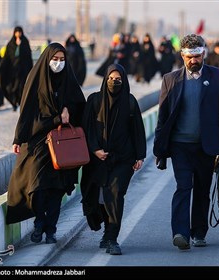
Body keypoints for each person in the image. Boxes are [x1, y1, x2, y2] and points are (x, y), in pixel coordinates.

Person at [153, 34, 219, 250]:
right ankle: (180, 233)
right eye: (189, 56)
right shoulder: (171, 80)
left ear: (203, 54)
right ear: (182, 56)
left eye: (197, 56)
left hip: (206, 146)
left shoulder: (217, 77)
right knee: (183, 187)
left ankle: (199, 232)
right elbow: (163, 117)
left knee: (202, 189)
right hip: (180, 145)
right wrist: (159, 149)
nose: (193, 60)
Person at [5, 43, 86, 244]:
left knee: (57, 190)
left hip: (64, 144)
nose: (58, 64)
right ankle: (39, 222)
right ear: (47, 59)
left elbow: (80, 107)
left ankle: (50, 230)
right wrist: (18, 138)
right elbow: (27, 113)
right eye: (54, 59)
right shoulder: (35, 79)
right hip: (39, 140)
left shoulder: (68, 81)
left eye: (61, 60)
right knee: (37, 187)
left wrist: (68, 112)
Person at [80, 63, 146, 255]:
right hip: (98, 160)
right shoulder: (94, 101)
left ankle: (112, 238)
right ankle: (106, 233)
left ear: (124, 81)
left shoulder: (130, 102)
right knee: (98, 198)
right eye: (111, 79)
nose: (114, 83)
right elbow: (88, 129)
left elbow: (137, 131)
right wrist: (95, 150)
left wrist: (140, 155)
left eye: (118, 80)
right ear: (105, 79)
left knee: (115, 195)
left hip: (123, 159)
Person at [0, 26, 33, 111]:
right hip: (13, 70)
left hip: (23, 70)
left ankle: (20, 103)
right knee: (12, 87)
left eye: (19, 32)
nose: (18, 34)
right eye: (17, 32)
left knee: (21, 87)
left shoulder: (25, 42)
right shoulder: (11, 43)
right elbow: (7, 56)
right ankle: (14, 102)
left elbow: (28, 56)